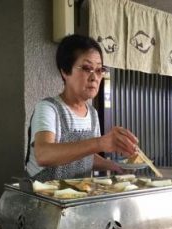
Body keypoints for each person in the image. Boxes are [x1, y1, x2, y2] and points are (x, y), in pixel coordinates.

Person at [26, 34, 138, 181]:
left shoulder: (92, 114)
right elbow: (43, 154)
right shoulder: (48, 109)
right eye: (86, 68)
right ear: (65, 71)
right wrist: (100, 143)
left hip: (76, 198)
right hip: (44, 199)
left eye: (99, 70)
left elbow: (85, 158)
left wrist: (114, 165)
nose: (95, 77)